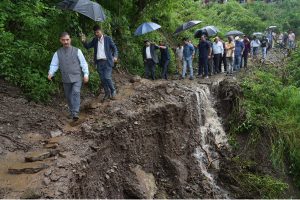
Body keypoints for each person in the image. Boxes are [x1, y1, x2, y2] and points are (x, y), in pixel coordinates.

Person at [48, 32, 89, 121]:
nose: (66, 42)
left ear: (70, 39)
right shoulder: (57, 53)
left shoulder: (77, 51)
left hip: (77, 77)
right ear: (60, 41)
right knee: (68, 96)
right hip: (66, 78)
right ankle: (71, 112)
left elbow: (83, 63)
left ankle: (75, 113)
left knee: (76, 92)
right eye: (63, 40)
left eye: (67, 39)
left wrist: (86, 74)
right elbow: (54, 65)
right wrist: (51, 73)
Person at [81, 25, 118, 101]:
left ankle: (113, 90)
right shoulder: (95, 40)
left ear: (101, 31)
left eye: (97, 32)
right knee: (102, 79)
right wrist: (84, 41)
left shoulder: (108, 39)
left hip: (107, 61)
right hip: (99, 63)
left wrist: (115, 56)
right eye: (95, 32)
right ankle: (107, 93)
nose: (96, 34)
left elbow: (114, 48)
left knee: (107, 77)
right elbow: (88, 46)